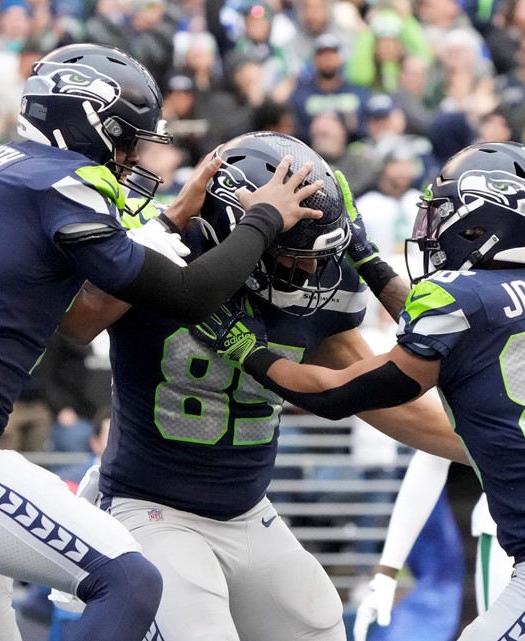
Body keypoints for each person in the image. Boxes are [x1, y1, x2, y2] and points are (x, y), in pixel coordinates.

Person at [0, 43, 323, 641]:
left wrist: (169, 219)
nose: (130, 158)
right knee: (129, 580)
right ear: (83, 120)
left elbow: (83, 311)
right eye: (124, 140)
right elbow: (189, 293)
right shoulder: (59, 183)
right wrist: (262, 220)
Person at [192, 141, 525, 640]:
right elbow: (463, 327)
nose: (431, 229)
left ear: (485, 226)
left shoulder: (463, 301)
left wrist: (246, 348)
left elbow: (334, 395)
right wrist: (366, 258)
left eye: (447, 215)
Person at [57, 130, 462, 641]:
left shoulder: (322, 287)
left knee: (319, 626)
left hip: (246, 509)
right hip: (151, 507)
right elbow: (77, 323)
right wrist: (168, 221)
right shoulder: (165, 251)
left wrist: (491, 448)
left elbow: (376, 393)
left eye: (321, 255)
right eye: (294, 255)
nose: (313, 272)